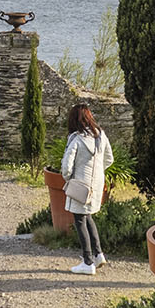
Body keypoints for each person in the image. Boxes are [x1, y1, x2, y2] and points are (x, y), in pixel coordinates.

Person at [60, 102, 113, 275]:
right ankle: (98, 255)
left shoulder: (76, 139)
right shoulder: (100, 135)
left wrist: (70, 179)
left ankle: (87, 261)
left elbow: (66, 167)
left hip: (80, 185)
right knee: (87, 216)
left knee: (80, 220)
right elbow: (109, 159)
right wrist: (97, 173)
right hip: (96, 184)